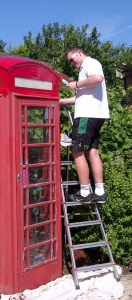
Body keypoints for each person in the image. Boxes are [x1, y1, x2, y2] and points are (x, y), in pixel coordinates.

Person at [59, 45, 109, 204]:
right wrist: (61, 102)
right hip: (96, 116)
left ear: (79, 53)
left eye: (72, 60)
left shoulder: (90, 63)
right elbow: (82, 97)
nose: (72, 64)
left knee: (77, 152)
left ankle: (85, 192)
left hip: (86, 117)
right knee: (92, 152)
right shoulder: (85, 69)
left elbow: (98, 78)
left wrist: (77, 84)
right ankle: (99, 192)